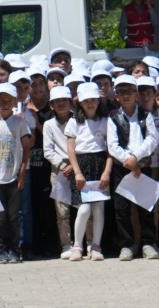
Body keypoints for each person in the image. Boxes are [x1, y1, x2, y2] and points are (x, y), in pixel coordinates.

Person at [106, 74, 159, 261]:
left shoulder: (146, 115)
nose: (126, 95)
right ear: (116, 96)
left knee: (146, 207)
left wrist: (136, 157)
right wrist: (128, 160)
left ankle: (148, 243)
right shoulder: (113, 117)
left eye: (129, 91)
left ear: (136, 94)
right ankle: (127, 244)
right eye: (122, 92)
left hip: (143, 165)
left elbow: (152, 139)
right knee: (121, 209)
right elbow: (112, 145)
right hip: (122, 167)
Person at [0, 81, 33, 264]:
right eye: (1, 99)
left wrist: (22, 172)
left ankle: (14, 249)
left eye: (8, 100)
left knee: (13, 216)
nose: (4, 103)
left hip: (13, 177)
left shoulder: (19, 122)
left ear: (14, 101)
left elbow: (27, 148)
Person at [66, 82, 111, 261]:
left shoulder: (106, 121)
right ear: (80, 103)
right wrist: (77, 172)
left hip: (99, 165)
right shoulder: (73, 121)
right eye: (86, 101)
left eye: (93, 100)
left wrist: (106, 172)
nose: (90, 103)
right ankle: (77, 245)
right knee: (83, 209)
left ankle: (96, 246)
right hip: (81, 166)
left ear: (99, 101)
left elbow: (110, 150)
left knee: (99, 208)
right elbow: (71, 149)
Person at [42, 85, 75, 259]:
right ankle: (66, 244)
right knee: (62, 212)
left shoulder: (78, 120)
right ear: (51, 105)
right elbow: (48, 150)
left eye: (64, 100)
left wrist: (74, 165)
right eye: (57, 101)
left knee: (83, 208)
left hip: (78, 168)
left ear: (71, 103)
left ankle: (86, 243)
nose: (61, 104)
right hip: (59, 171)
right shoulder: (48, 125)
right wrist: (63, 166)